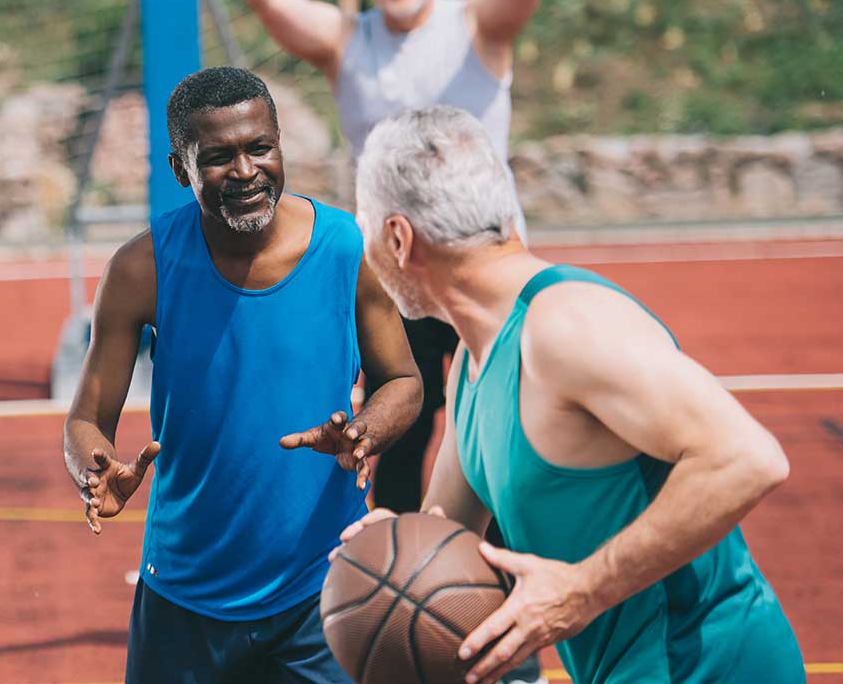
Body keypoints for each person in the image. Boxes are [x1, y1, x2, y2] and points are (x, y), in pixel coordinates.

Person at [337, 106, 803, 684]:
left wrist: (582, 590)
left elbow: (749, 458)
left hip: (707, 667)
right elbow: (445, 537)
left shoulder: (565, 326)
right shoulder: (472, 366)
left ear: (399, 238)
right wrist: (393, 549)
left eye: (364, 225)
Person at [214, 0, 555, 518]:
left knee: (507, 428)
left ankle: (514, 573)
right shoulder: (349, 41)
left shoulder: (479, 24)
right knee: (398, 427)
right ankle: (402, 573)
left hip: (490, 259)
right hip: (397, 273)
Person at [62, 66, 423, 683]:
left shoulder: (346, 248)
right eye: (218, 157)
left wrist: (364, 432)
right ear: (181, 170)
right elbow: (87, 419)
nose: (246, 171)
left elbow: (403, 382)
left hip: (320, 589)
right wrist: (95, 468)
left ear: (280, 146)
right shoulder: (140, 269)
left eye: (260, 148)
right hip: (183, 593)